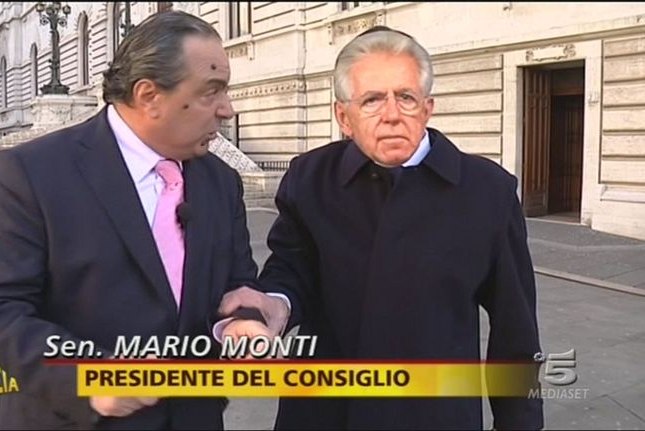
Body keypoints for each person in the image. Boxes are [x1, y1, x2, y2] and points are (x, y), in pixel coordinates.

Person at [219, 27, 544, 430]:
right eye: (372, 100)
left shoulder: (487, 191)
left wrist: (520, 423)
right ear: (344, 117)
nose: (392, 114)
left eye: (406, 97)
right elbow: (291, 269)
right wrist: (275, 304)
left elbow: (516, 330)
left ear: (427, 108)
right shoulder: (311, 178)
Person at [0, 11, 261, 430]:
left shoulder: (220, 181)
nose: (228, 109)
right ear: (149, 96)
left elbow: (238, 282)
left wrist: (241, 322)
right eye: (211, 91)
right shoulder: (35, 173)